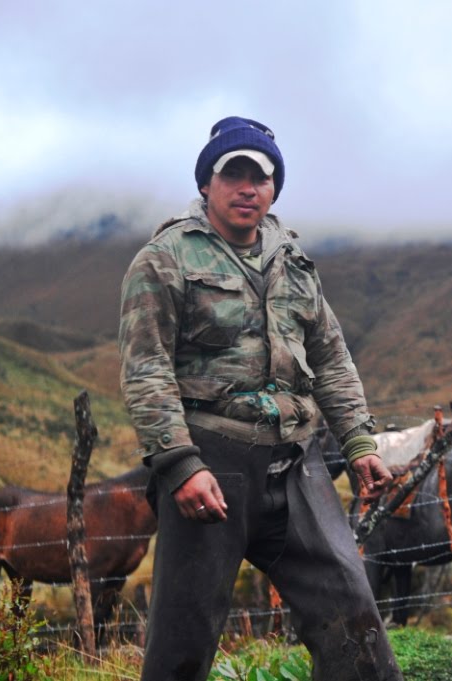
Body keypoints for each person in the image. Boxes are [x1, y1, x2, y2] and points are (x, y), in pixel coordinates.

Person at [119, 116, 402, 681]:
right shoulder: (166, 257)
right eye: (234, 174)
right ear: (207, 182)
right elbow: (146, 369)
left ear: (275, 188)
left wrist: (359, 442)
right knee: (182, 642)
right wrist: (179, 464)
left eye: (261, 177)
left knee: (355, 621)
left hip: (296, 463)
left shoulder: (292, 260)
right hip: (210, 466)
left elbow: (331, 357)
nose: (248, 188)